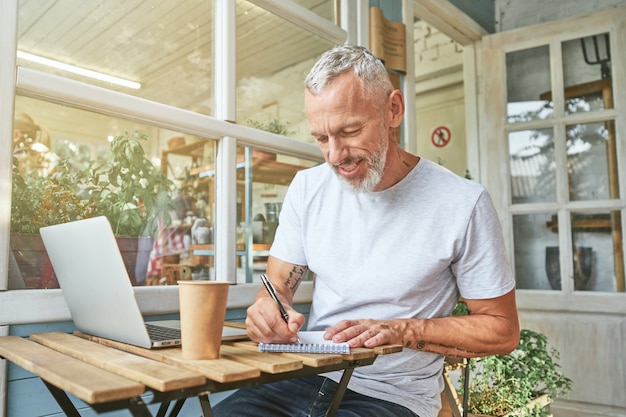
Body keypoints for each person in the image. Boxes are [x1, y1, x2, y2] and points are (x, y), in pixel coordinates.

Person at [213, 44, 519, 417]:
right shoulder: (308, 188)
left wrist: (402, 330)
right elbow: (276, 287)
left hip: (391, 396)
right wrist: (267, 311)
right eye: (322, 138)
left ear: (393, 110)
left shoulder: (463, 202)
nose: (335, 156)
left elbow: (502, 330)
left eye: (350, 131)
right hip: (303, 375)